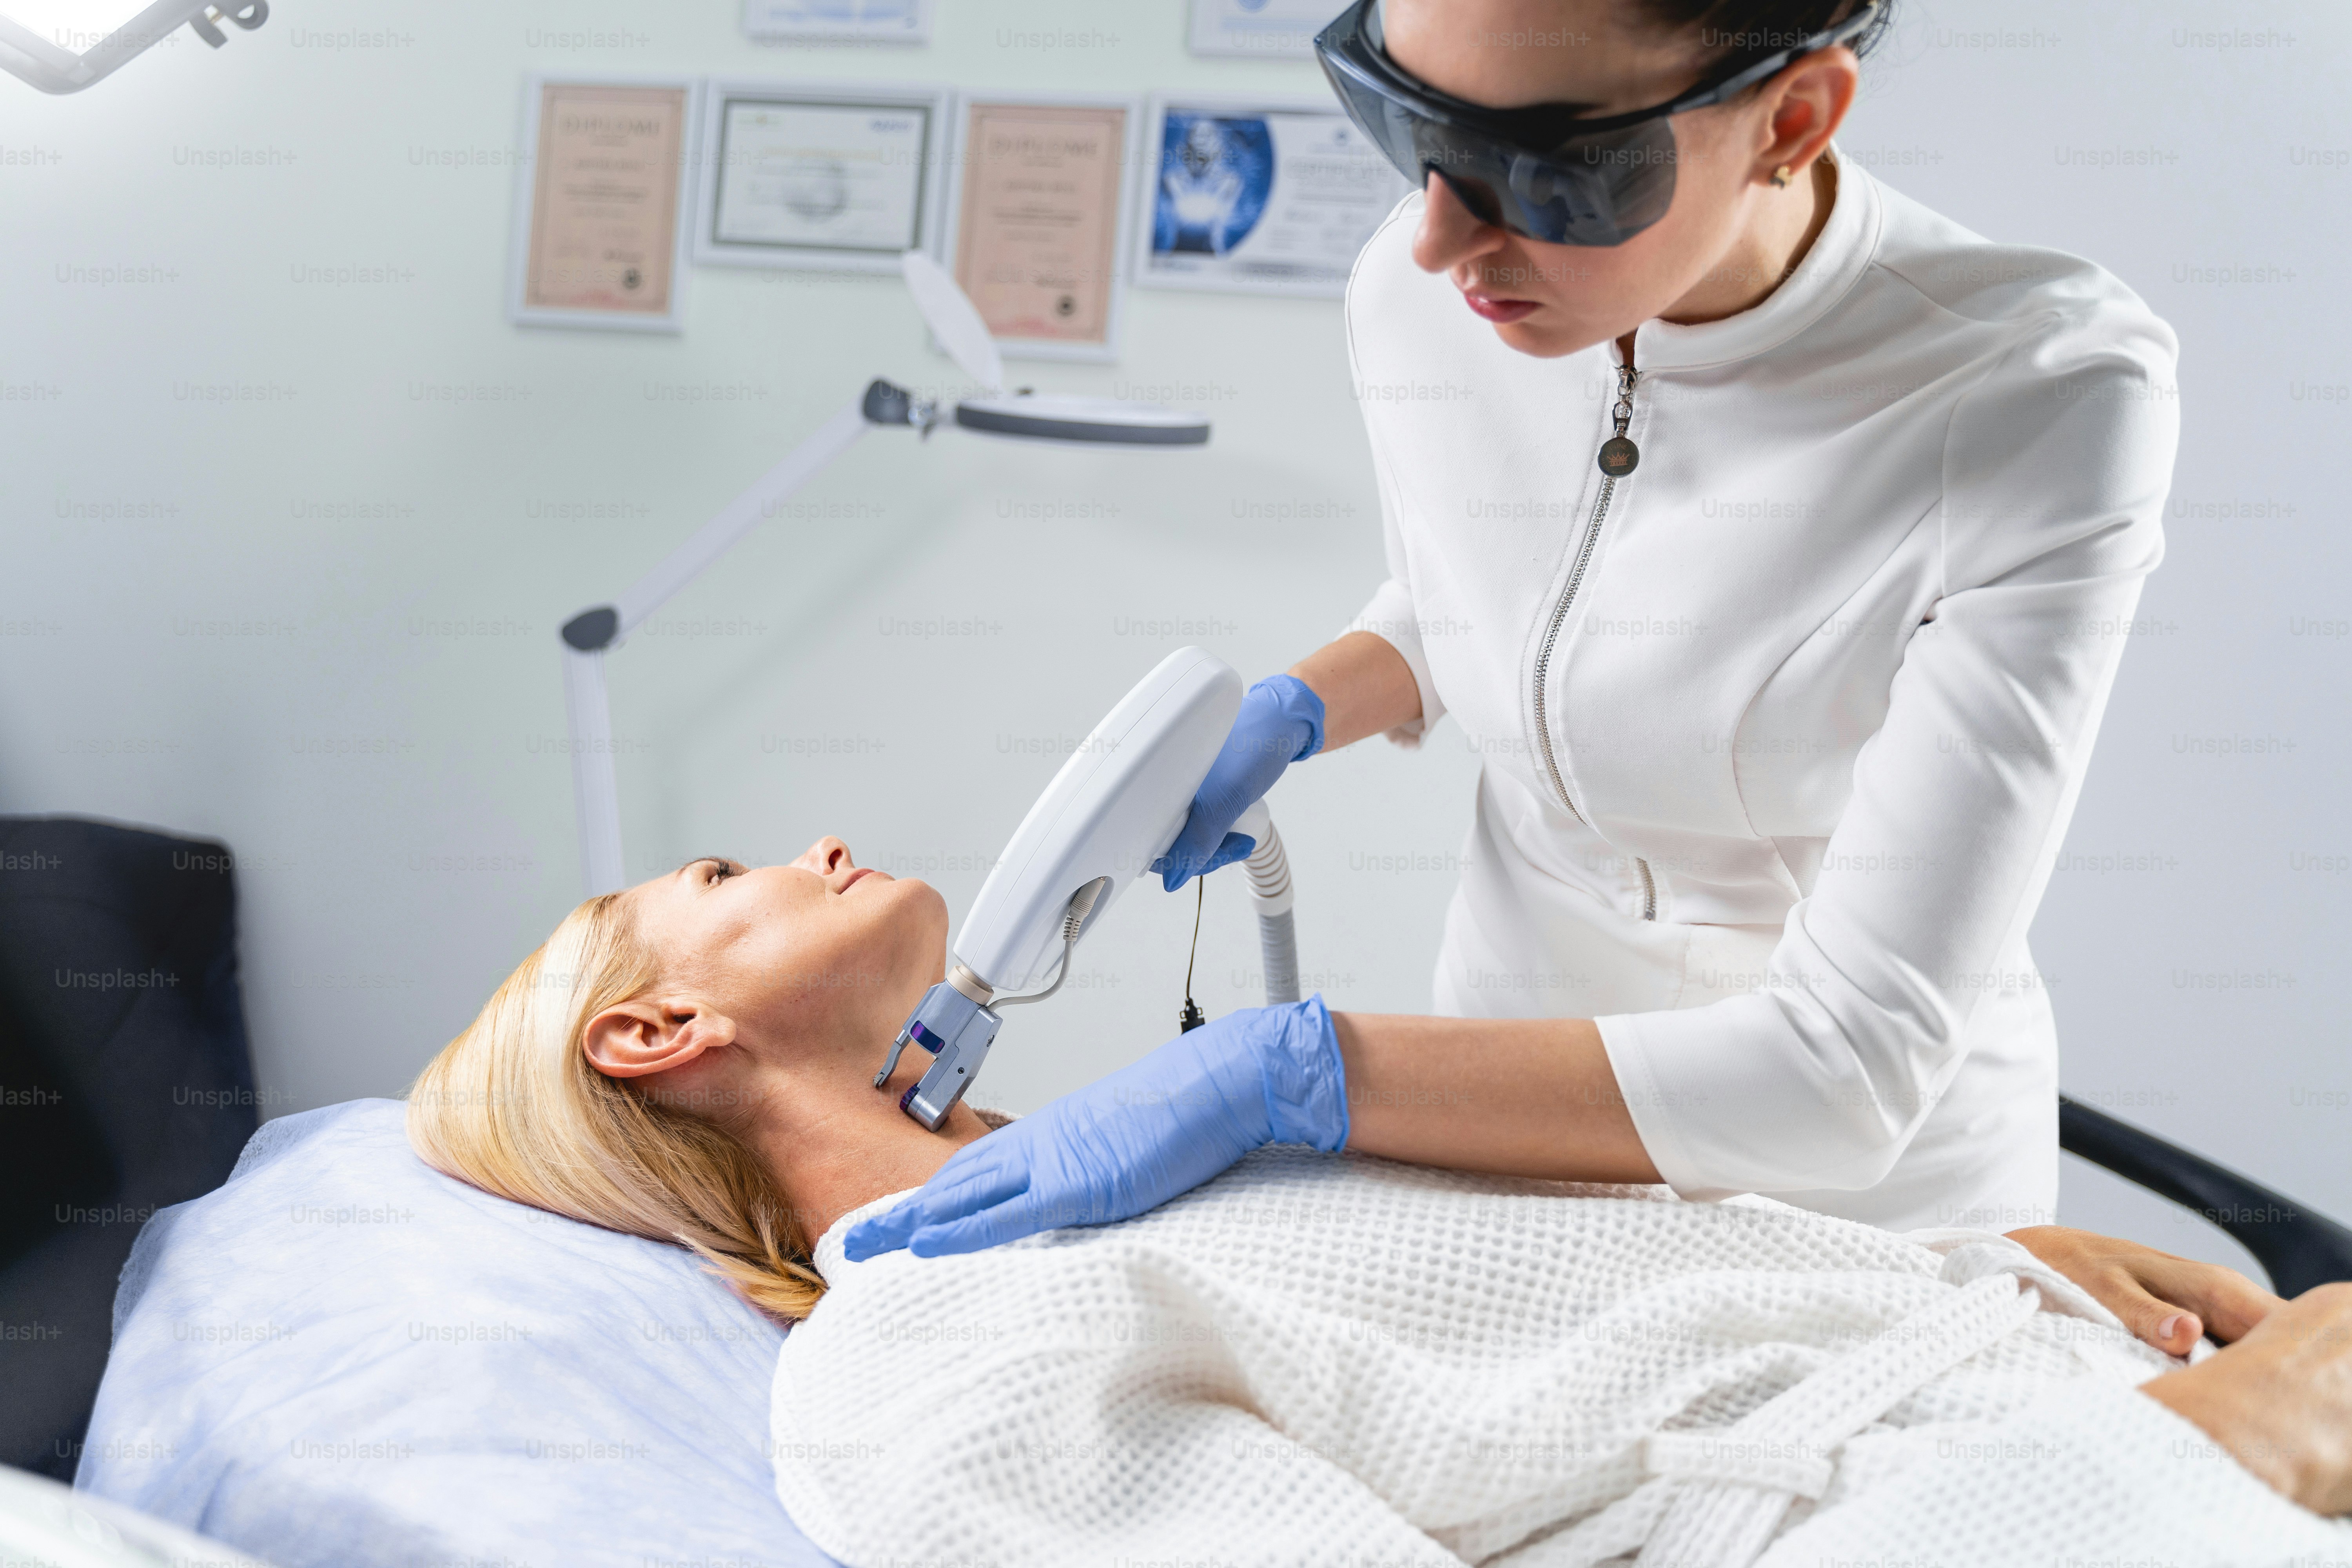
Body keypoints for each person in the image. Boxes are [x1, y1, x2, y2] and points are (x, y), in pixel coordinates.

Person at [863, 0, 2188, 1250]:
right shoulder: (1415, 293)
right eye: (1410, 128)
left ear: (1791, 121)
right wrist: (1302, 706)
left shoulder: (2035, 401)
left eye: (1548, 168)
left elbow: (1847, 1067)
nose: (1441, 239)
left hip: (1854, 1184)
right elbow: (1483, 598)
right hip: (1493, 1108)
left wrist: (1296, 1075)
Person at [406, 841, 2350, 1564]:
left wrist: (1960, 1267)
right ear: (657, 1032)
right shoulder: (921, 1373)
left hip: (2076, 1379)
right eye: (731, 874)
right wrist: (2196, 1467)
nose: (818, 847)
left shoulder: (1154, 1180)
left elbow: (1588, 1340)